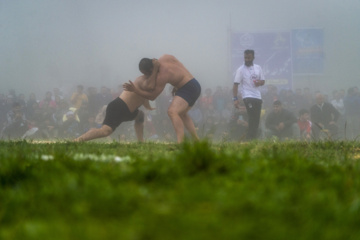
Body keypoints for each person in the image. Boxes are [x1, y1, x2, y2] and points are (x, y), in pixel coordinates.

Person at [123, 55, 201, 143]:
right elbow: (179, 68)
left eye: (146, 74)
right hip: (194, 83)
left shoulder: (161, 76)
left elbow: (152, 96)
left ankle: (181, 142)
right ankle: (196, 140)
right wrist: (177, 84)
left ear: (151, 70)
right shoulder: (165, 57)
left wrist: (136, 90)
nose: (146, 76)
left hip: (187, 88)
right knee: (182, 114)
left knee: (172, 112)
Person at [74, 76, 154, 142]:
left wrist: (148, 107)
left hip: (128, 111)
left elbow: (145, 98)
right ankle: (77, 140)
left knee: (140, 115)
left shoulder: (149, 85)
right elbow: (149, 94)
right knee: (105, 131)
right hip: (118, 107)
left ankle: (141, 141)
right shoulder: (144, 81)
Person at [233, 49, 265, 140]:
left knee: (256, 119)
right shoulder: (240, 70)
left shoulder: (258, 68)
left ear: (253, 57)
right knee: (251, 116)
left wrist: (259, 82)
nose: (247, 59)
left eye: (249, 58)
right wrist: (235, 99)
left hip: (257, 96)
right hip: (247, 96)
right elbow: (235, 85)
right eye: (245, 58)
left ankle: (253, 138)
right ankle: (249, 138)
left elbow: (263, 81)